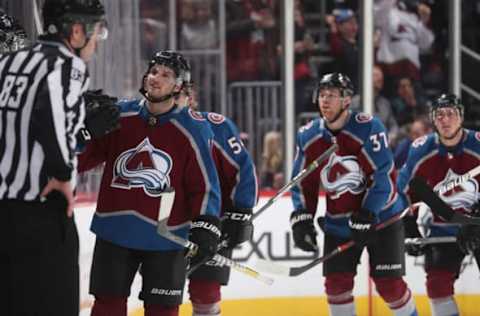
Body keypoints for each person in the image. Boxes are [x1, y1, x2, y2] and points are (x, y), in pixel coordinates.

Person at [77, 50, 222, 316]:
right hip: (115, 230)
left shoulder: (193, 129)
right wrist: (81, 131)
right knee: (107, 307)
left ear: (179, 86)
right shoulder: (118, 116)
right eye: (154, 71)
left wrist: (206, 223)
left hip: (167, 236)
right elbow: (80, 161)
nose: (156, 78)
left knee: (162, 311)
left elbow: (204, 185)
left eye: (166, 75)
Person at [0, 2, 108, 315]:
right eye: (96, 30)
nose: (98, 38)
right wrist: (62, 174)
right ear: (76, 31)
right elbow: (50, 116)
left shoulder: (9, 62)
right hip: (40, 212)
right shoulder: (67, 65)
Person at [289, 72, 418, 316]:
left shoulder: (368, 127)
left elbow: (383, 175)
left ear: (347, 101)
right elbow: (303, 182)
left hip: (383, 219)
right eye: (322, 95)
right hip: (339, 223)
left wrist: (368, 212)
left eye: (332, 96)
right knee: (336, 287)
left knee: (390, 287)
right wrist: (302, 217)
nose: (325, 101)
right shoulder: (309, 135)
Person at [177, 86, 258, 316]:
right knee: (163, 293)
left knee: (205, 294)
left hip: (212, 223)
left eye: (185, 92)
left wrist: (241, 211)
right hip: (170, 224)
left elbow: (244, 169)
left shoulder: (216, 126)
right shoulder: (155, 126)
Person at [398, 93, 480, 316]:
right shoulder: (421, 149)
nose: (445, 119)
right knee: (437, 287)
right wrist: (409, 225)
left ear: (461, 117)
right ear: (433, 120)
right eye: (439, 115)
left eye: (451, 113)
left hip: (478, 225)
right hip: (442, 228)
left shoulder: (478, 145)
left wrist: (475, 220)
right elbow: (402, 189)